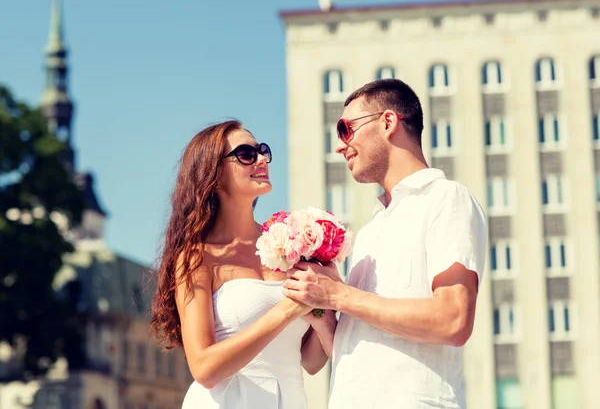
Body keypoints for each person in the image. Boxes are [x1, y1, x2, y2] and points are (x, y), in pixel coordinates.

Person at [283, 79, 487, 408]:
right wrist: (324, 313)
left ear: (388, 122)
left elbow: (453, 320)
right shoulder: (370, 230)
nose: (340, 145)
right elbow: (361, 356)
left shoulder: (446, 199)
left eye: (345, 128)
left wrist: (338, 294)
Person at [149, 120, 337, 409]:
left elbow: (311, 361)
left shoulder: (292, 244)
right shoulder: (197, 256)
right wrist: (288, 310)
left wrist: (330, 299)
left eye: (262, 150)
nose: (261, 159)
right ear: (213, 172)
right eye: (246, 154)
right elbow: (203, 369)